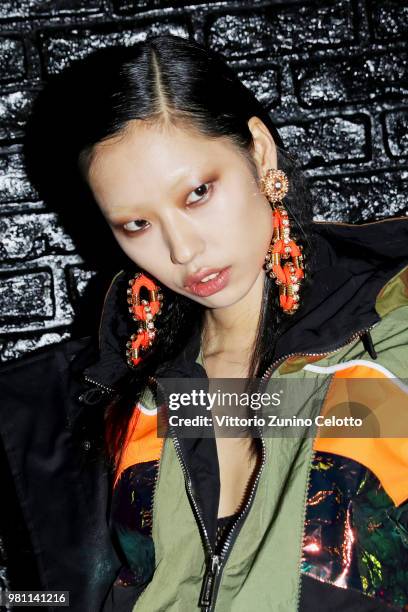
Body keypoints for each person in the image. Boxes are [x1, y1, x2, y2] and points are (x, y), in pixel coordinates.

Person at [0, 34, 407, 612]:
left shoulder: (391, 341)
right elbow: (57, 593)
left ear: (260, 153)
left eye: (197, 193)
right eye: (136, 224)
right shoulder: (120, 396)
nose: (183, 249)